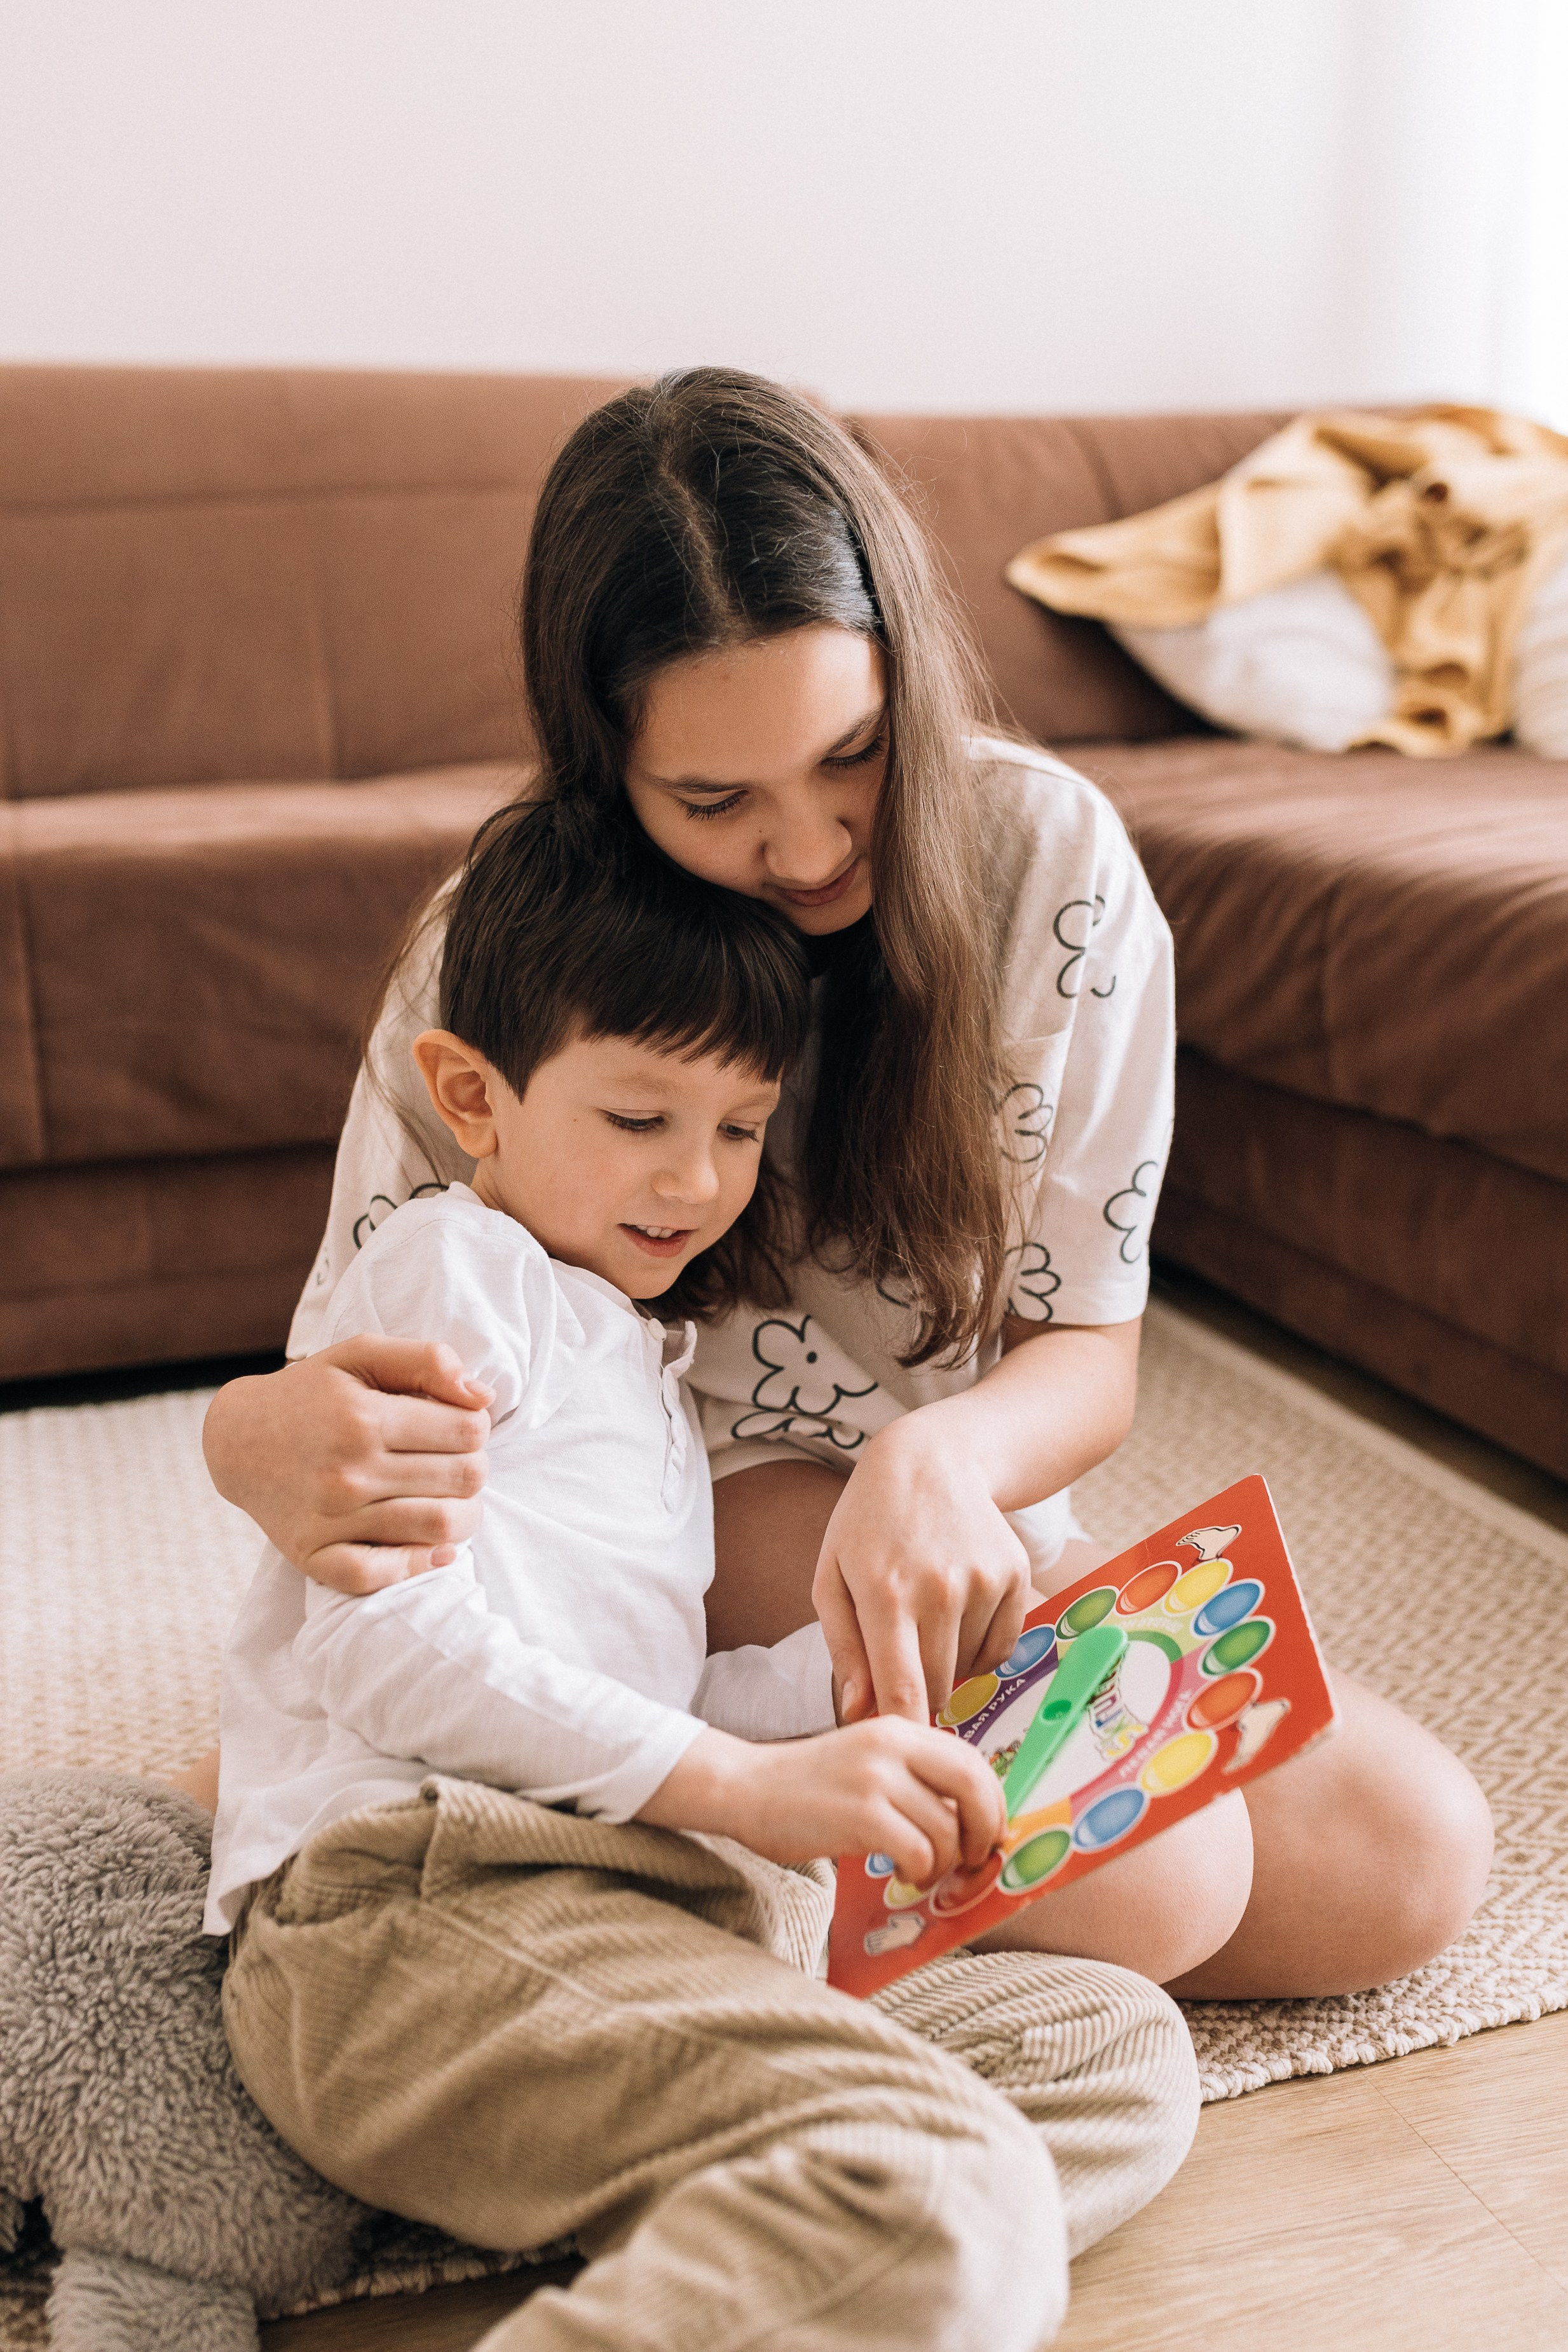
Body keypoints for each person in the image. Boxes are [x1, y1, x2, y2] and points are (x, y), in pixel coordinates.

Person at [198, 366, 1493, 2001]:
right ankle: (542, 1828)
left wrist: (946, 1461)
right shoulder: (509, 954)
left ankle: (628, 1862)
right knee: (1158, 1877)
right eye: (714, 799)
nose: (808, 848)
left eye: (854, 754)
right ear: (606, 766)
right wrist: (244, 1429)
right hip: (672, 1511)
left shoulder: (1050, 870)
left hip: (942, 1507)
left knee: (1406, 1857)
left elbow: (1086, 1351)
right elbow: (363, 1383)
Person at [213, 798, 1201, 2352]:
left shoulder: (641, 1360)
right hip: (408, 1901)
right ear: (472, 1096)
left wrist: (874, 1685)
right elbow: (386, 1655)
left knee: (1114, 2048)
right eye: (636, 1120)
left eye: (737, 1127)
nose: (694, 1178)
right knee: (945, 2187)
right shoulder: (454, 1279)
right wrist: (746, 1788)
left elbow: (643, 1697)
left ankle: (739, 2212)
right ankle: (853, 2208)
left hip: (632, 1902)